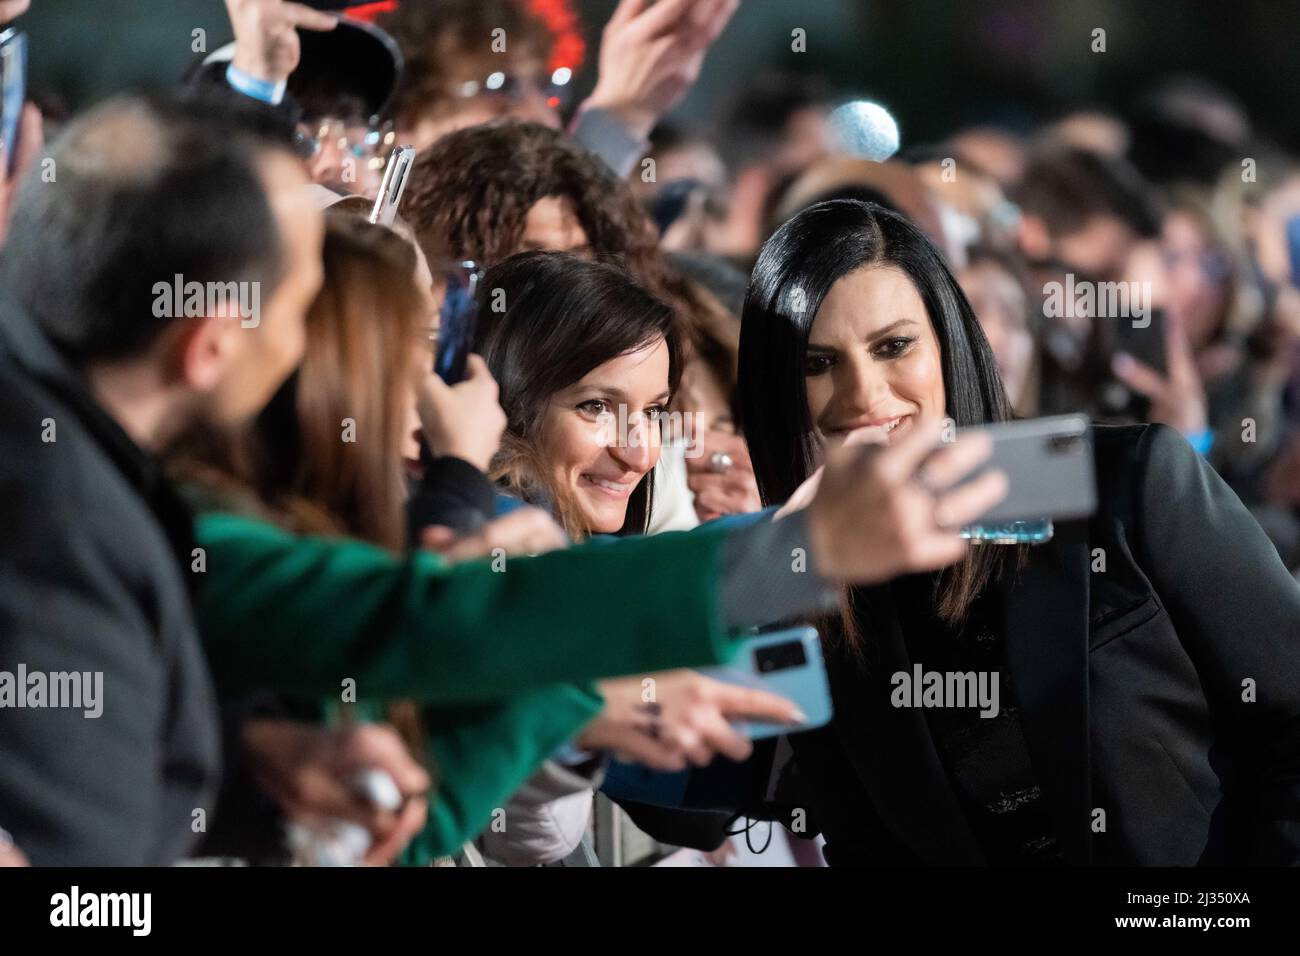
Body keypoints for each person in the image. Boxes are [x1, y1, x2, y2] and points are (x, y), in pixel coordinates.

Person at [656, 199, 1299, 865]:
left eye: (892, 347)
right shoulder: (808, 581)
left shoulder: (1126, 482)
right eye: (818, 364)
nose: (863, 394)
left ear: (948, 346)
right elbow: (690, 802)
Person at [0, 91, 429, 864]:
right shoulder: (62, 538)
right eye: (303, 308)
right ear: (209, 346)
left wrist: (246, 762)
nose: (305, 345)